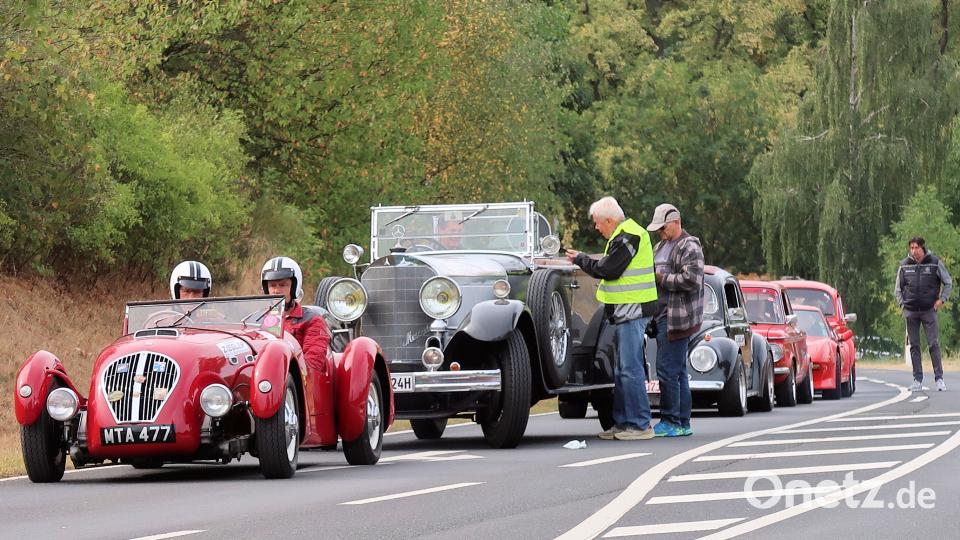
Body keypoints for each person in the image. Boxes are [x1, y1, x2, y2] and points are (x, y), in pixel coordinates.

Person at [565, 197, 658, 441]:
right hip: (623, 312)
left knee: (630, 369)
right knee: (621, 370)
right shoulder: (623, 235)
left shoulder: (629, 236)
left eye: (597, 222)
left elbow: (608, 269)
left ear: (608, 220)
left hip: (632, 311)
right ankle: (624, 423)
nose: (596, 228)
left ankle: (640, 425)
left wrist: (581, 259)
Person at [647, 203, 704, 437]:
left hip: (677, 319)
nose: (660, 232)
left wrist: (661, 278)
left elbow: (691, 279)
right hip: (662, 316)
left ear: (675, 222)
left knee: (667, 370)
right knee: (677, 370)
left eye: (663, 228)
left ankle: (671, 420)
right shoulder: (660, 245)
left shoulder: (689, 246)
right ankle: (682, 422)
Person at [895, 236, 952, 391]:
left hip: (929, 310)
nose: (914, 251)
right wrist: (902, 305)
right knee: (914, 346)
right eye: (911, 248)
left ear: (922, 248)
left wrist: (942, 300)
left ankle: (939, 379)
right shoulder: (904, 265)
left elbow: (948, 282)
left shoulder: (934, 262)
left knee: (933, 344)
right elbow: (898, 289)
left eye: (916, 248)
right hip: (911, 311)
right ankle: (917, 380)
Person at [261, 256, 331, 372]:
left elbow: (313, 363)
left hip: (295, 380)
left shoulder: (312, 320)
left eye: (283, 285)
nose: (277, 290)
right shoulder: (258, 319)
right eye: (272, 285)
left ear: (294, 287)